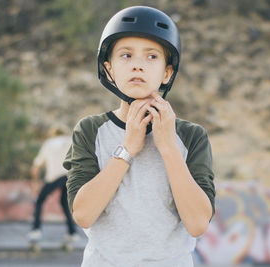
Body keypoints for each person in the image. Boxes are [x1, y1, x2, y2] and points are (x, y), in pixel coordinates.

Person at [63, 6, 215, 266]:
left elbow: (198, 223)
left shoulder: (191, 136)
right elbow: (84, 214)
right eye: (126, 55)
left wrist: (168, 147)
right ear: (108, 69)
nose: (137, 65)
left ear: (167, 72)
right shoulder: (90, 130)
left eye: (152, 57)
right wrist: (127, 148)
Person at [28, 126, 79, 244]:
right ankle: (72, 233)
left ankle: (36, 230)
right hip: (69, 175)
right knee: (65, 203)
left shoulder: (49, 143)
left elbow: (35, 168)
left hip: (54, 176)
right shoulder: (71, 140)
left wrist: (35, 186)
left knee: (40, 201)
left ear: (53, 134)